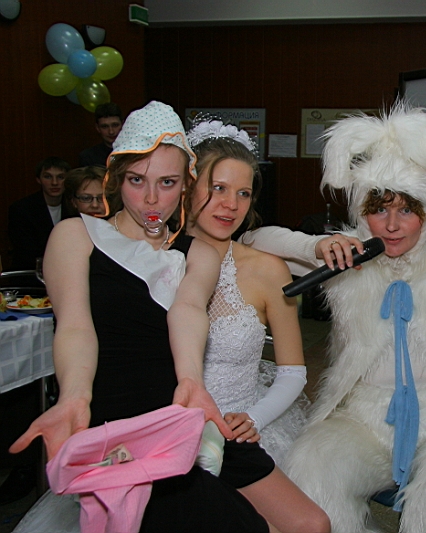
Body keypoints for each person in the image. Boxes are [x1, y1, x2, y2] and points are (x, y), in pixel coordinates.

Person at [240, 101, 426, 533]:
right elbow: (253, 238)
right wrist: (315, 247)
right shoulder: (345, 252)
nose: (391, 226)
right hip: (363, 416)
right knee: (311, 465)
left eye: (406, 210)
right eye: (378, 210)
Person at [10, 101, 270, 533]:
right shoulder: (76, 235)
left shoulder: (199, 253)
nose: (151, 199)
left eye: (167, 182)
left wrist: (191, 380)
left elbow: (187, 309)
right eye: (137, 180)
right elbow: (75, 326)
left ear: (186, 185)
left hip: (174, 414)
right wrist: (74, 396)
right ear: (115, 178)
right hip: (110, 418)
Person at [185, 118, 330, 532]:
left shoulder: (267, 270)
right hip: (174, 428)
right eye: (218, 188)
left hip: (245, 425)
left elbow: (293, 371)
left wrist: (253, 418)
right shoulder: (157, 263)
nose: (231, 205)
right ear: (188, 186)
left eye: (243, 193)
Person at [7, 157, 70, 270]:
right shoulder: (21, 209)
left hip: (68, 268)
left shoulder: (74, 206)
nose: (54, 183)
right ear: (38, 179)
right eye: (48, 177)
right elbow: (25, 250)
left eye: (60, 177)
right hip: (31, 272)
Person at [78, 102, 123, 168]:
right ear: (97, 128)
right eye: (105, 127)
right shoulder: (88, 156)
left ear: (123, 124)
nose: (111, 132)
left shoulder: (135, 151)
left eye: (115, 125)